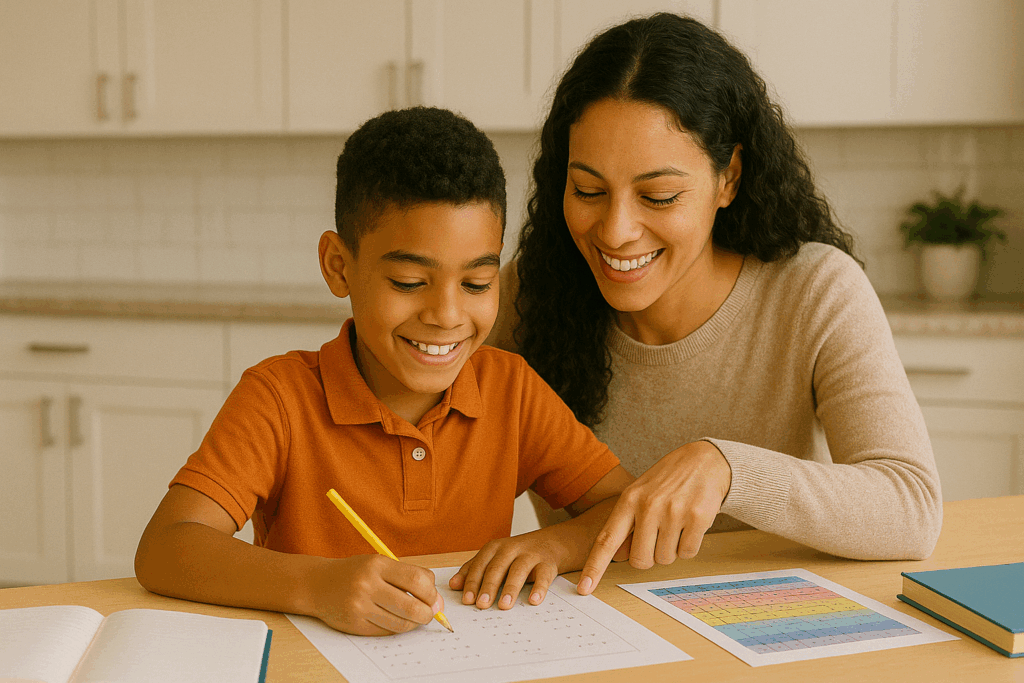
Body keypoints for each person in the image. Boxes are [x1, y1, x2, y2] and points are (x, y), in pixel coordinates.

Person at [488, 13, 943, 596]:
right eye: (588, 191)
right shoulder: (533, 290)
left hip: (767, 628)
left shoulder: (814, 290)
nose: (616, 230)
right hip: (595, 630)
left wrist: (725, 468)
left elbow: (911, 507)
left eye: (659, 195)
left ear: (728, 177)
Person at [135, 107, 632, 636]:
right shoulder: (279, 398)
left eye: (477, 284)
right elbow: (166, 547)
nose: (446, 315)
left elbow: (624, 510)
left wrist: (553, 543)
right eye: (409, 281)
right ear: (338, 266)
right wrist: (316, 585)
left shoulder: (510, 389)